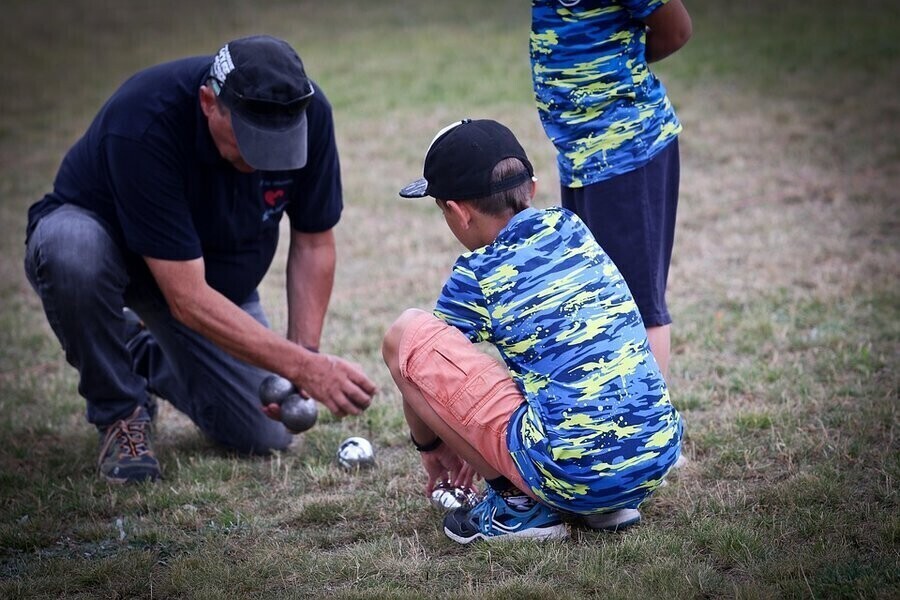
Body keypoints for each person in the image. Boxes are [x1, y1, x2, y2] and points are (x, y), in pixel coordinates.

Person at [23, 35, 377, 484]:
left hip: (209, 281)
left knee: (263, 432)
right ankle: (119, 413)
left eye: (277, 146)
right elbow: (186, 299)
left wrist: (301, 362)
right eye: (250, 141)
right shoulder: (143, 121)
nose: (261, 159)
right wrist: (303, 365)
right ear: (209, 102)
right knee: (70, 251)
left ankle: (134, 347)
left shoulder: (309, 114)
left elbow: (312, 242)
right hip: (111, 256)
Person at [382, 119, 682, 544]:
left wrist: (430, 446)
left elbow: (422, 368)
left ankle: (516, 506)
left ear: (457, 211)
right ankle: (609, 502)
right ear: (533, 189)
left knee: (405, 333)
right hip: (655, 456)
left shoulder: (478, 273)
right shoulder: (573, 228)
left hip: (572, 473)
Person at [531, 0, 692, 378]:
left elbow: (677, 29)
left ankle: (648, 429)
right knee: (599, 293)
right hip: (579, 154)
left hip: (627, 148)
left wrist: (621, 65)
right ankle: (614, 413)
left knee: (637, 303)